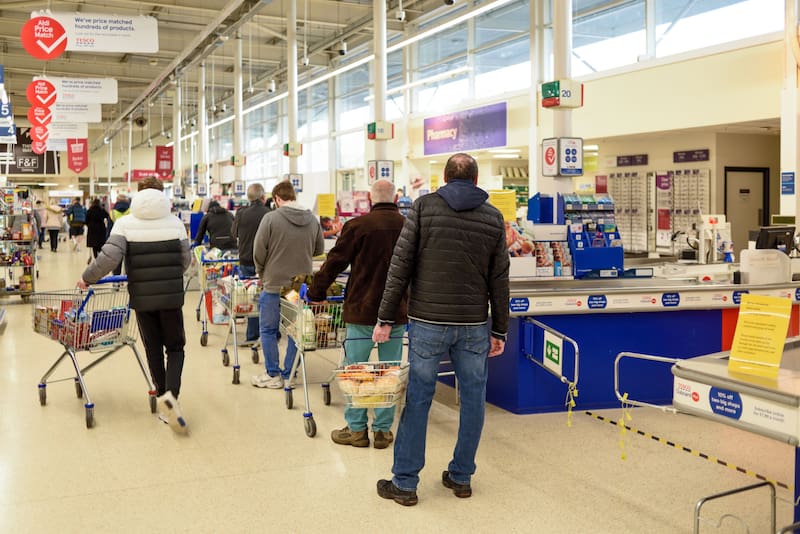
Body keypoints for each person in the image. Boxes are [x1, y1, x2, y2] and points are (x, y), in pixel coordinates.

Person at [372, 152, 509, 506]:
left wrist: (385, 318)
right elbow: (500, 279)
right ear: (476, 181)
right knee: (474, 400)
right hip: (474, 326)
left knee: (418, 397)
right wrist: (501, 330)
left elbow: (400, 266)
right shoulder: (494, 217)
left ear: (445, 178)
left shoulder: (423, 208)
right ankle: (461, 476)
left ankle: (404, 483)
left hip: (428, 323)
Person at [77, 177, 192, 434]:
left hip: (142, 297)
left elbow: (108, 259)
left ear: (138, 193)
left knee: (152, 348)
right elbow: (186, 260)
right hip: (171, 297)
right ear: (162, 194)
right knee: (175, 347)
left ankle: (165, 401)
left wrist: (87, 278)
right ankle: (172, 400)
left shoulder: (125, 223)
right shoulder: (175, 223)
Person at [307, 179, 408, 449]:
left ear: (369, 198)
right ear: (396, 197)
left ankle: (356, 429)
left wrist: (316, 292)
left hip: (362, 311)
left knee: (356, 370)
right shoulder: (409, 226)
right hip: (396, 312)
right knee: (389, 370)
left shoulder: (358, 226)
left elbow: (334, 263)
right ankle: (383, 431)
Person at [251, 181, 324, 389]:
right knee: (296, 330)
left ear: (276, 199)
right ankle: (290, 372)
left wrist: (262, 272)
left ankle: (273, 374)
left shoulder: (270, 218)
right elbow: (318, 249)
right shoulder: (312, 219)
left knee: (268, 329)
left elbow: (259, 250)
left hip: (274, 284)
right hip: (297, 290)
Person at [231, 182, 272, 343]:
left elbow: (233, 233)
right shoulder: (269, 213)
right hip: (264, 262)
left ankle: (252, 335)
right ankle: (269, 334)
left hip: (246, 260)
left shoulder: (241, 213)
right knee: (267, 297)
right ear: (263, 197)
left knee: (250, 298)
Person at [85, 198, 112, 263]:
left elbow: (86, 220)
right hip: (101, 228)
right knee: (100, 243)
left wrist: (89, 225)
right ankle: (100, 256)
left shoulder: (89, 210)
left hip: (92, 229)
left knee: (94, 245)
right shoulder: (102, 210)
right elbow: (108, 216)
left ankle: (96, 258)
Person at [111, 194, 131, 276]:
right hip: (130, 238)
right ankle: (128, 280)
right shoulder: (132, 211)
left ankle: (116, 282)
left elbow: (109, 228)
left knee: (116, 261)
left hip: (116, 239)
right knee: (129, 261)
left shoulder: (112, 212)